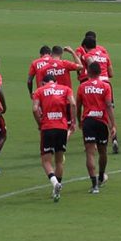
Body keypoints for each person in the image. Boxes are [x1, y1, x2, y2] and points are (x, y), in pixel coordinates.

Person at [32, 71, 76, 202]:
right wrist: (73, 121)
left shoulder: (39, 91)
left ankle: (54, 183)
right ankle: (57, 191)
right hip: (62, 127)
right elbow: (73, 104)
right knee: (59, 160)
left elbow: (35, 109)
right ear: (55, 82)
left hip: (47, 127)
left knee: (46, 161)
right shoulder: (65, 89)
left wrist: (40, 123)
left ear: (44, 83)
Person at [76, 62, 116, 193]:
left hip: (88, 121)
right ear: (100, 73)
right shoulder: (105, 86)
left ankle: (94, 185)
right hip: (102, 121)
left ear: (88, 72)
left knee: (90, 153)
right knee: (102, 151)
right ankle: (101, 176)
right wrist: (113, 125)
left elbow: (78, 106)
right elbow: (109, 105)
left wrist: (79, 120)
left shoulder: (82, 87)